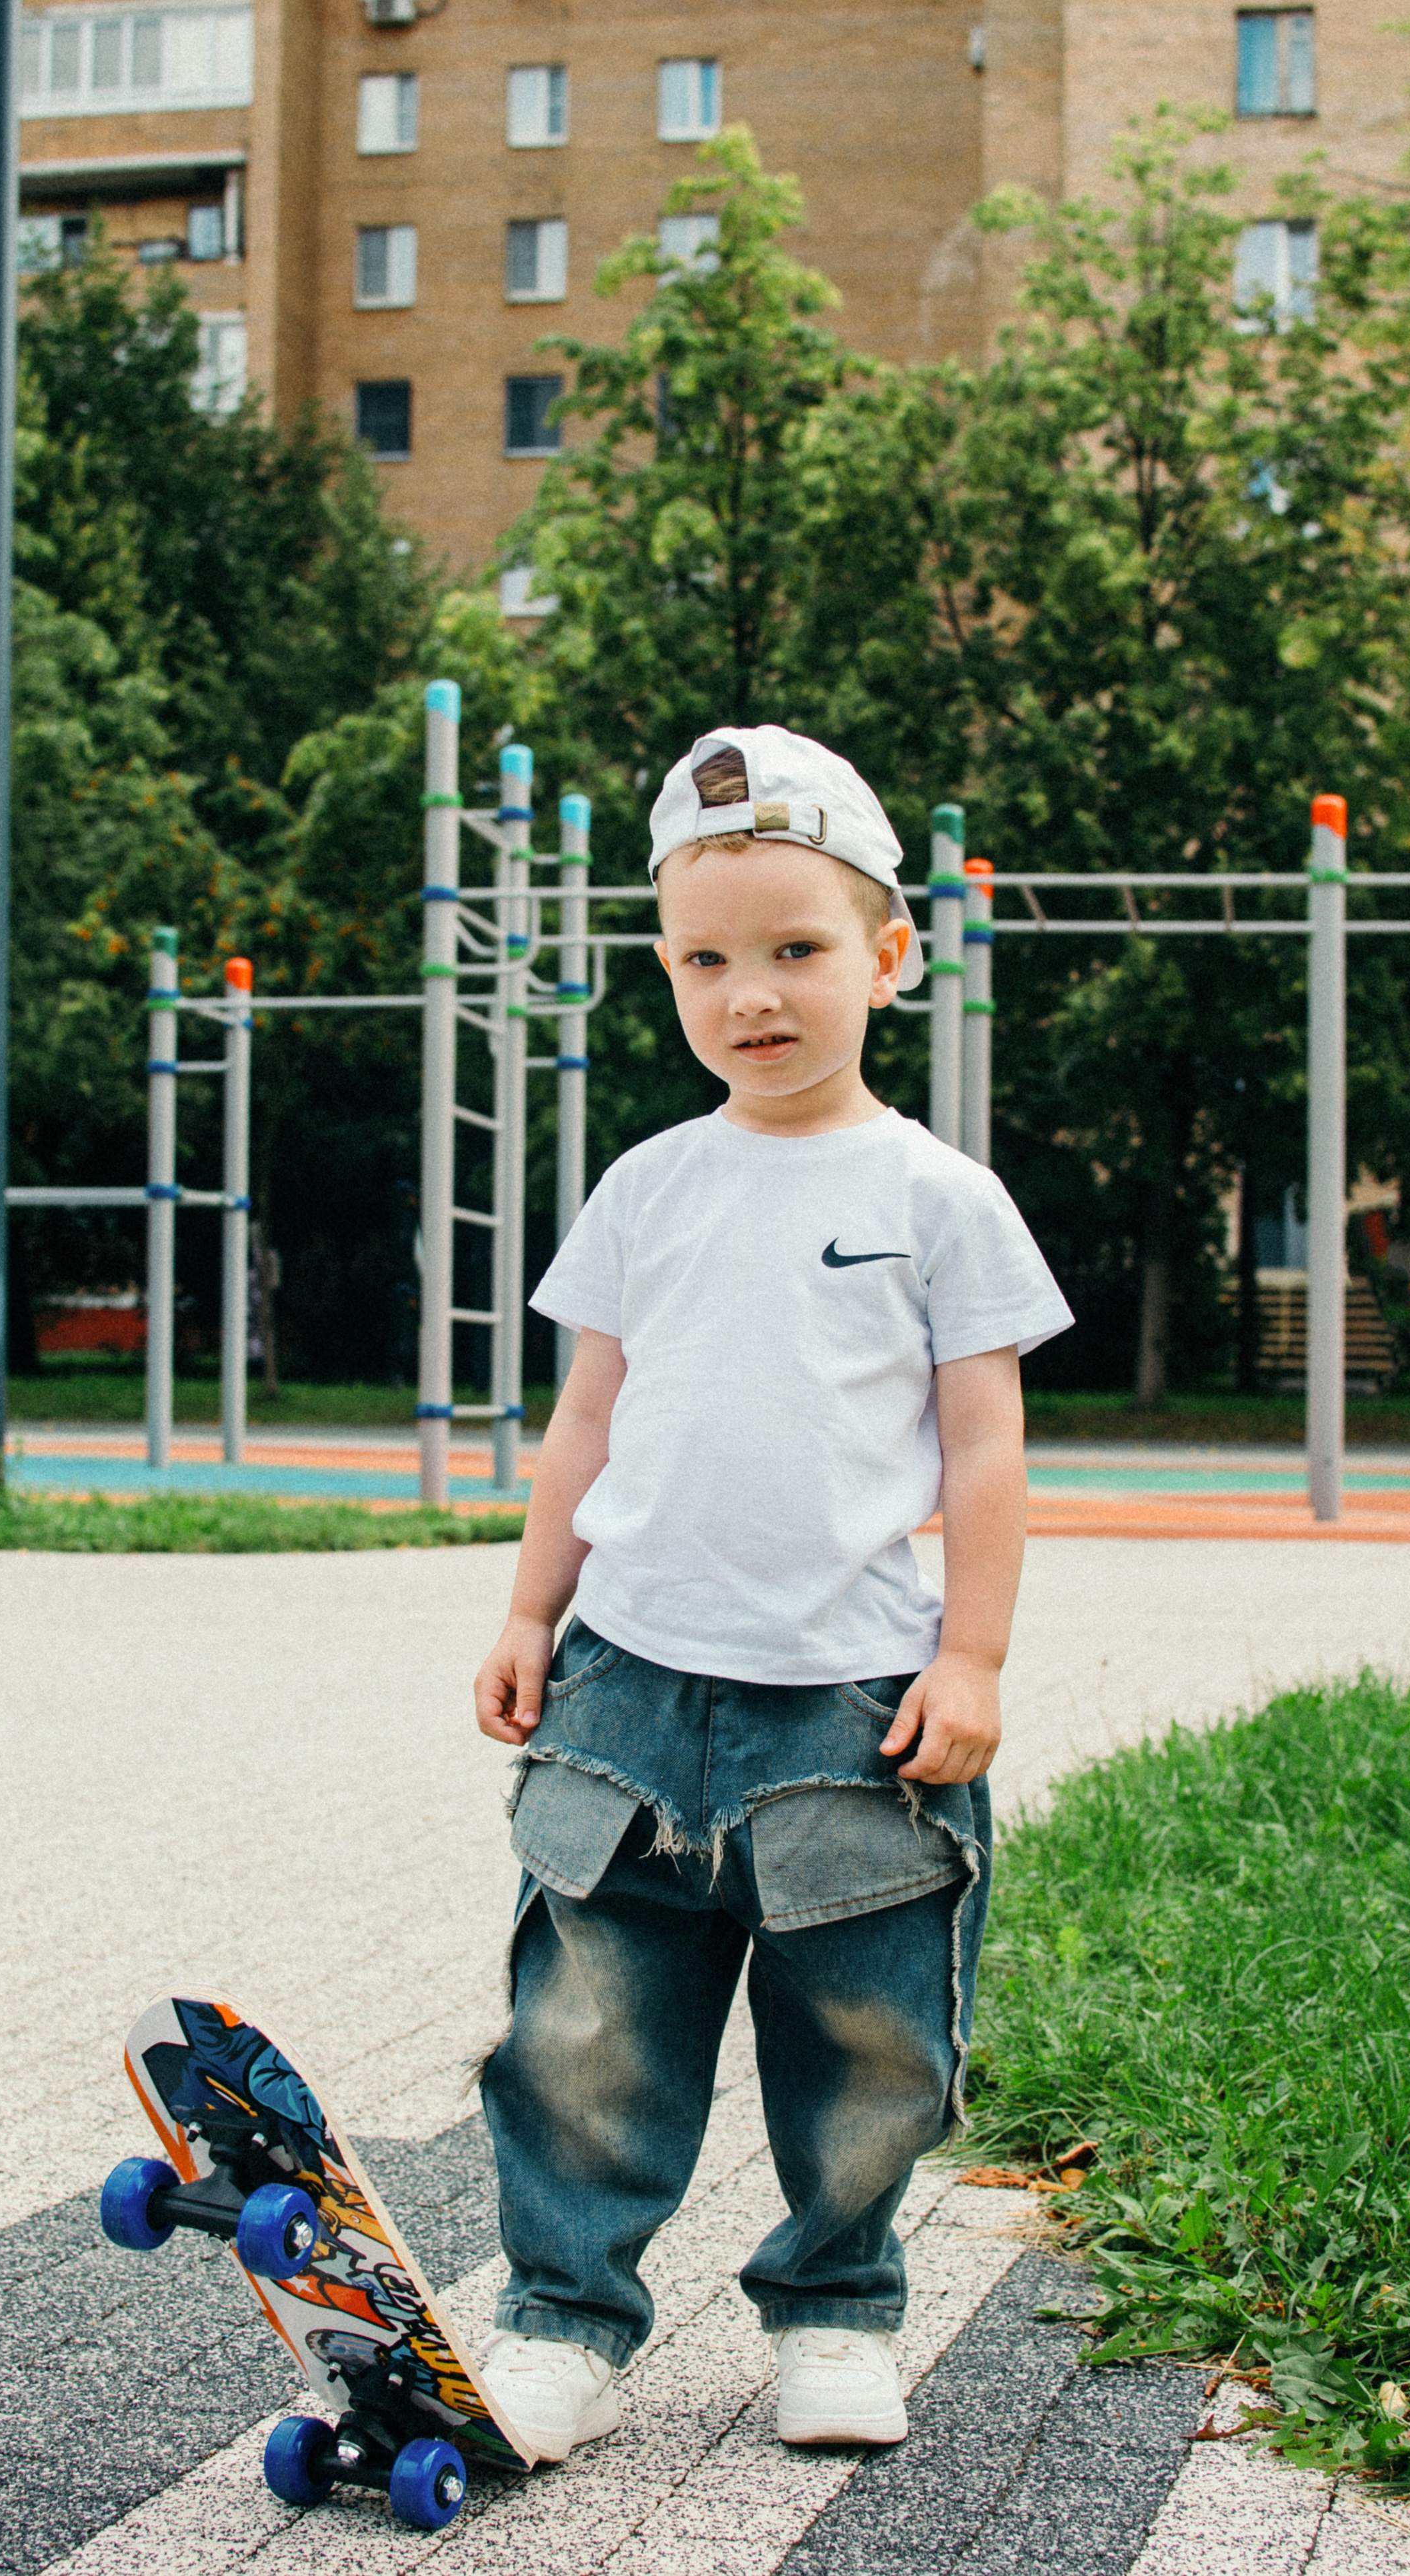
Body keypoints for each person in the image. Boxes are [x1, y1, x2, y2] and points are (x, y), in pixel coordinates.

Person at [471, 724, 1073, 2463]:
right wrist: (528, 1614)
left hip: (852, 1704)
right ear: (667, 970)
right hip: (628, 1691)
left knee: (867, 2037)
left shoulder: (938, 1201)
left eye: (797, 950)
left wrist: (974, 1651)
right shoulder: (645, 1188)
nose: (753, 994)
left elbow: (984, 1451)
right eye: (708, 960)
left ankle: (834, 2306)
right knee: (583, 2034)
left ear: (888, 954)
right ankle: (562, 2318)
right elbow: (585, 1418)